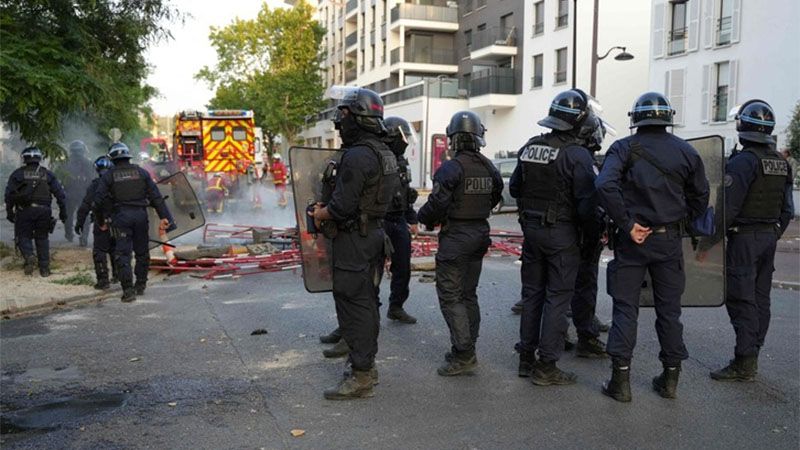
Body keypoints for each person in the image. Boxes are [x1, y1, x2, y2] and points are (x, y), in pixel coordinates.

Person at [596, 92, 709, 402]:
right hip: (669, 241)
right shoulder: (686, 151)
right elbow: (701, 196)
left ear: (636, 119)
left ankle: (620, 383)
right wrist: (684, 223)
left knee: (625, 310)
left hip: (631, 242)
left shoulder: (622, 148)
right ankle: (670, 380)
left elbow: (604, 185)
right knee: (670, 312)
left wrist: (627, 224)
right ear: (667, 118)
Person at [309, 87, 399, 400]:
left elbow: (343, 206)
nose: (339, 122)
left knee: (354, 304)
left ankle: (361, 374)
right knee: (367, 301)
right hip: (374, 235)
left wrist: (321, 212)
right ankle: (365, 367)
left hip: (354, 239)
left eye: (344, 116)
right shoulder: (384, 152)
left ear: (358, 118)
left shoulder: (358, 155)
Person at [509, 89, 603, 386]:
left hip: (532, 233)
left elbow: (514, 189)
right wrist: (591, 237)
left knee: (532, 294)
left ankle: (526, 358)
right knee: (558, 298)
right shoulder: (578, 155)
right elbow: (587, 205)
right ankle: (547, 366)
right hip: (562, 234)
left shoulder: (531, 147)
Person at [710, 100, 794, 382]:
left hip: (745, 239)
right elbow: (788, 209)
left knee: (741, 297)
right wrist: (773, 232)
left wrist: (709, 241)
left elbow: (728, 209)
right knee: (760, 297)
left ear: (743, 126)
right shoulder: (781, 162)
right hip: (769, 237)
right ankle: (753, 352)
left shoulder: (743, 161)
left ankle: (744, 361)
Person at [417, 111, 503, 377]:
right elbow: (496, 195)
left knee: (451, 296)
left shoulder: (451, 167)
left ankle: (464, 354)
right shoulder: (489, 166)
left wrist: (424, 219)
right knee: (468, 294)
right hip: (479, 234)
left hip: (457, 238)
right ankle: (466, 347)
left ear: (453, 138)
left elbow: (438, 203)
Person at [94, 143, 175, 303]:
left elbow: (97, 201)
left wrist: (101, 220)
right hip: (140, 216)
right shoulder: (141, 172)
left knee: (122, 254)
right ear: (127, 156)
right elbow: (156, 197)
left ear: (112, 158)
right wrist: (165, 217)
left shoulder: (109, 175)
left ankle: (128, 291)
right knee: (142, 251)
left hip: (121, 218)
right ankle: (141, 285)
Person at [4, 146, 67, 277]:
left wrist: (9, 212)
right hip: (44, 211)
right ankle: (44, 269)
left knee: (23, 236)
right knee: (42, 238)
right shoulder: (47, 174)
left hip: (24, 210)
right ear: (39, 158)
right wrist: (63, 212)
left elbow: (9, 195)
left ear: (24, 159)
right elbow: (60, 195)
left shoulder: (18, 174)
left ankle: (29, 256)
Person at [381, 116, 420, 324]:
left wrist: (412, 219)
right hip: (379, 221)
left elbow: (405, 194)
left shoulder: (402, 162)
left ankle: (396, 306)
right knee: (373, 270)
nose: (405, 142)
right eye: (402, 137)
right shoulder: (376, 158)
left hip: (398, 220)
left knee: (402, 268)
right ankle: (367, 313)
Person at [74, 156, 117, 289]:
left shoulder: (95, 185)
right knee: (116, 249)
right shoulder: (118, 184)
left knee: (100, 251)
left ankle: (103, 281)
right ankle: (118, 275)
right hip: (118, 222)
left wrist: (79, 222)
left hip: (101, 223)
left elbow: (85, 205)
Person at [62, 140, 93, 246]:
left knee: (68, 215)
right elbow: (92, 179)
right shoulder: (88, 163)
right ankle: (83, 237)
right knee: (84, 216)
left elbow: (61, 178)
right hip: (83, 193)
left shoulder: (65, 163)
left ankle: (69, 234)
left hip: (70, 193)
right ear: (83, 150)